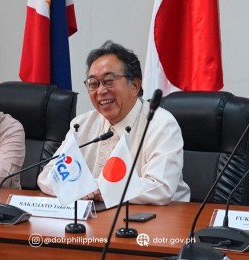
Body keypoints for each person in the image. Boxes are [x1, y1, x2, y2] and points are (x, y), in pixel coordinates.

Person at [37, 40, 190, 205]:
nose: (101, 91)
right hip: (99, 219)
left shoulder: (161, 124)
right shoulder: (81, 125)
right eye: (93, 84)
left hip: (160, 221)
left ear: (135, 85)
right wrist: (79, 188)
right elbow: (47, 176)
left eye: (108, 81)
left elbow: (161, 188)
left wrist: (99, 187)